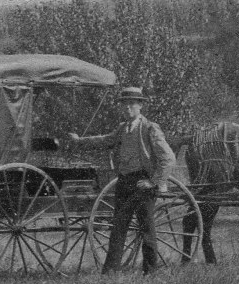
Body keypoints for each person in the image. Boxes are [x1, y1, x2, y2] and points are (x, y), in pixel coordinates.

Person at [64, 87, 179, 274]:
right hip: (124, 182)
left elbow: (169, 158)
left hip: (143, 183)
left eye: (132, 104)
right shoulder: (122, 128)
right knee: (118, 228)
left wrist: (153, 181)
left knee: (146, 229)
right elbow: (104, 140)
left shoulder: (149, 128)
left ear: (140, 106)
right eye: (124, 104)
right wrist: (80, 141)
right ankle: (110, 272)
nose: (127, 108)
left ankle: (150, 273)